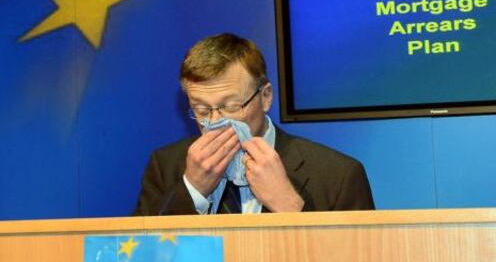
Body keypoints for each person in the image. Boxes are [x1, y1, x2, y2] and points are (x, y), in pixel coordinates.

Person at [133, 33, 373, 216]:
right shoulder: (165, 166)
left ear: (266, 96)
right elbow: (141, 259)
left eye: (230, 106)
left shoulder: (338, 175)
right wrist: (192, 191)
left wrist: (288, 206)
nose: (215, 122)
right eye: (202, 110)